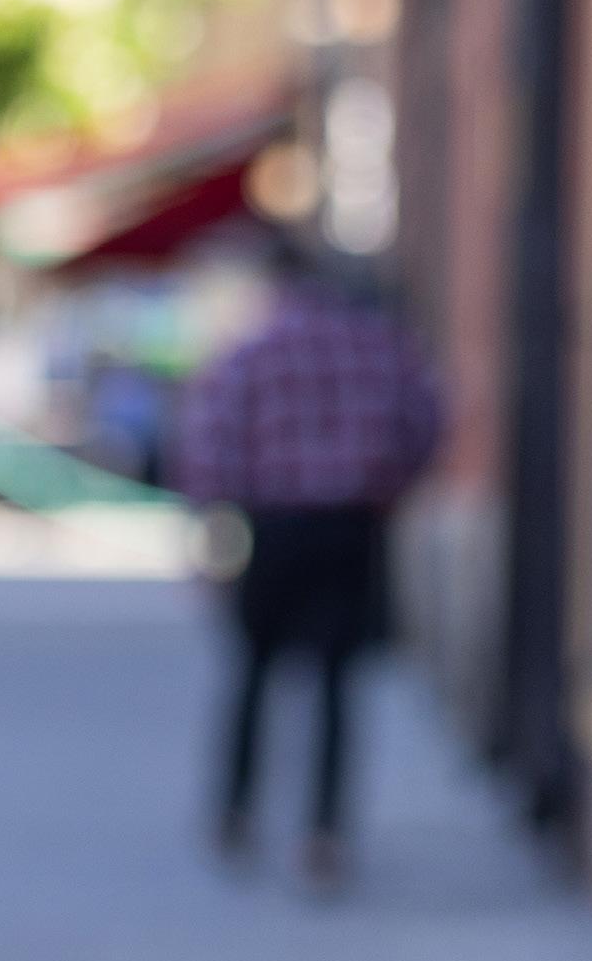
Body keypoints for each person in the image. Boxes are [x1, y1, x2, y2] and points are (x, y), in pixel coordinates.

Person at [172, 225, 444, 887]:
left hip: (274, 528)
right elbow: (427, 418)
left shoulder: (252, 350)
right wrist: (389, 485)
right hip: (350, 526)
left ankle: (236, 812)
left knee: (253, 673)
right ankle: (324, 834)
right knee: (335, 683)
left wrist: (212, 526)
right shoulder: (377, 346)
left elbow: (209, 443)